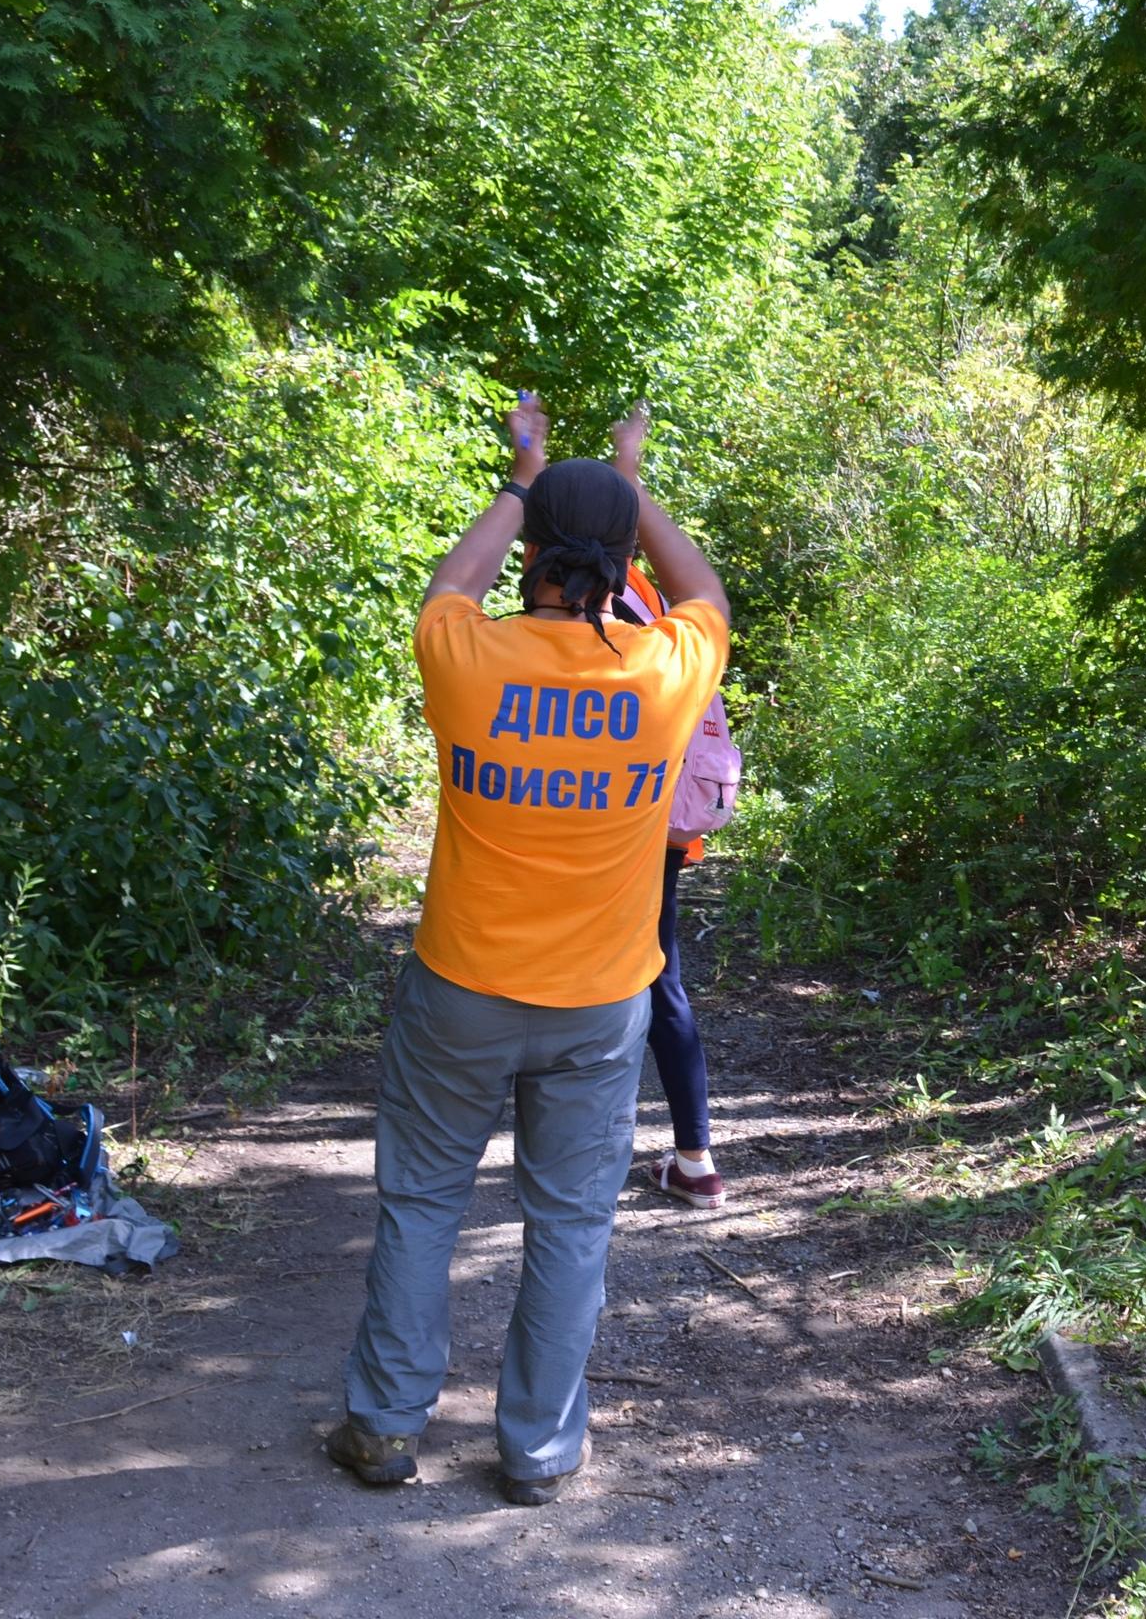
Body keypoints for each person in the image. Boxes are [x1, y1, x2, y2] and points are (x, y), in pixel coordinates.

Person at [326, 392, 731, 1503]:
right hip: (600, 1004)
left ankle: (385, 1428)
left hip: (459, 987)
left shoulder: (469, 656)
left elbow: (448, 586)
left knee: (421, 1202)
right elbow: (701, 593)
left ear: (537, 558)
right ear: (615, 565)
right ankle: (538, 1451)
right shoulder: (661, 673)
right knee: (567, 1223)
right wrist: (630, 483)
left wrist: (523, 474)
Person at [612, 534, 729, 1212]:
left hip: (616, 820)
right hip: (663, 823)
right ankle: (694, 1159)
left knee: (595, 980)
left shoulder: (597, 598)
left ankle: (580, 1160)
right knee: (662, 983)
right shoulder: (652, 594)